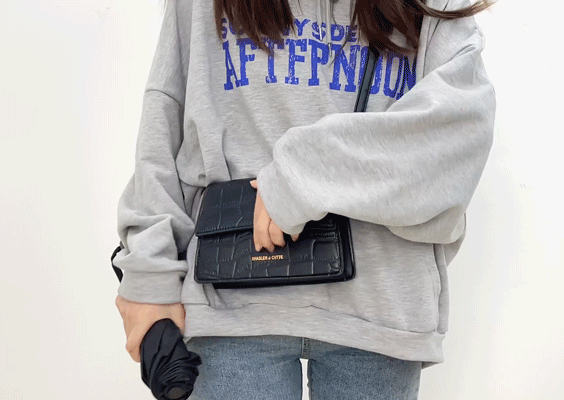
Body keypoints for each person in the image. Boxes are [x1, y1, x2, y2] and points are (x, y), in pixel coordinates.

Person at [113, 0, 496, 398]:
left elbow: (461, 128)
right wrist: (149, 274)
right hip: (230, 303)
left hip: (380, 307)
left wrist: (307, 171)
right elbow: (165, 124)